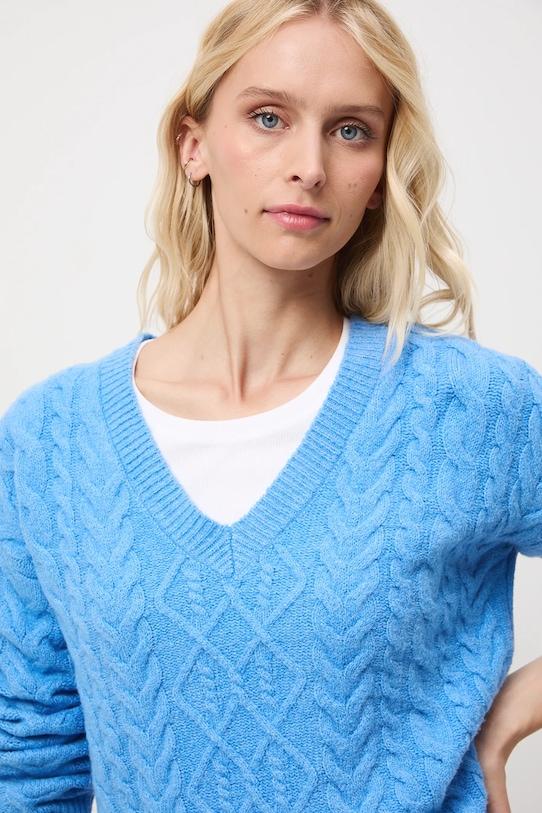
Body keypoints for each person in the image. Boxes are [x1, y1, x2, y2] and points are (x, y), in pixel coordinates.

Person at [0, 1, 541, 811]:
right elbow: (31, 754)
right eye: (268, 117)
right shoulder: (51, 440)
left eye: (351, 130)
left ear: (380, 173)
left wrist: (503, 723)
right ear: (193, 145)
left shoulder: (470, 408)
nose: (310, 166)